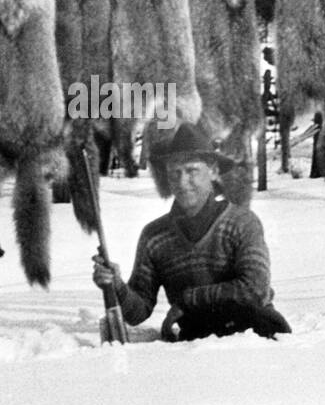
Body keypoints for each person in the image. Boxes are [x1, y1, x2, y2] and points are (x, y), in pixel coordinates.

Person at [91, 124, 291, 342]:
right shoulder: (154, 237)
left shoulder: (242, 222)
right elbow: (137, 313)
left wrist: (188, 300)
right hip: (194, 345)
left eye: (191, 171)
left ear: (213, 171)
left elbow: (254, 290)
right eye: (174, 172)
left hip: (255, 337)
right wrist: (116, 285)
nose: (182, 181)